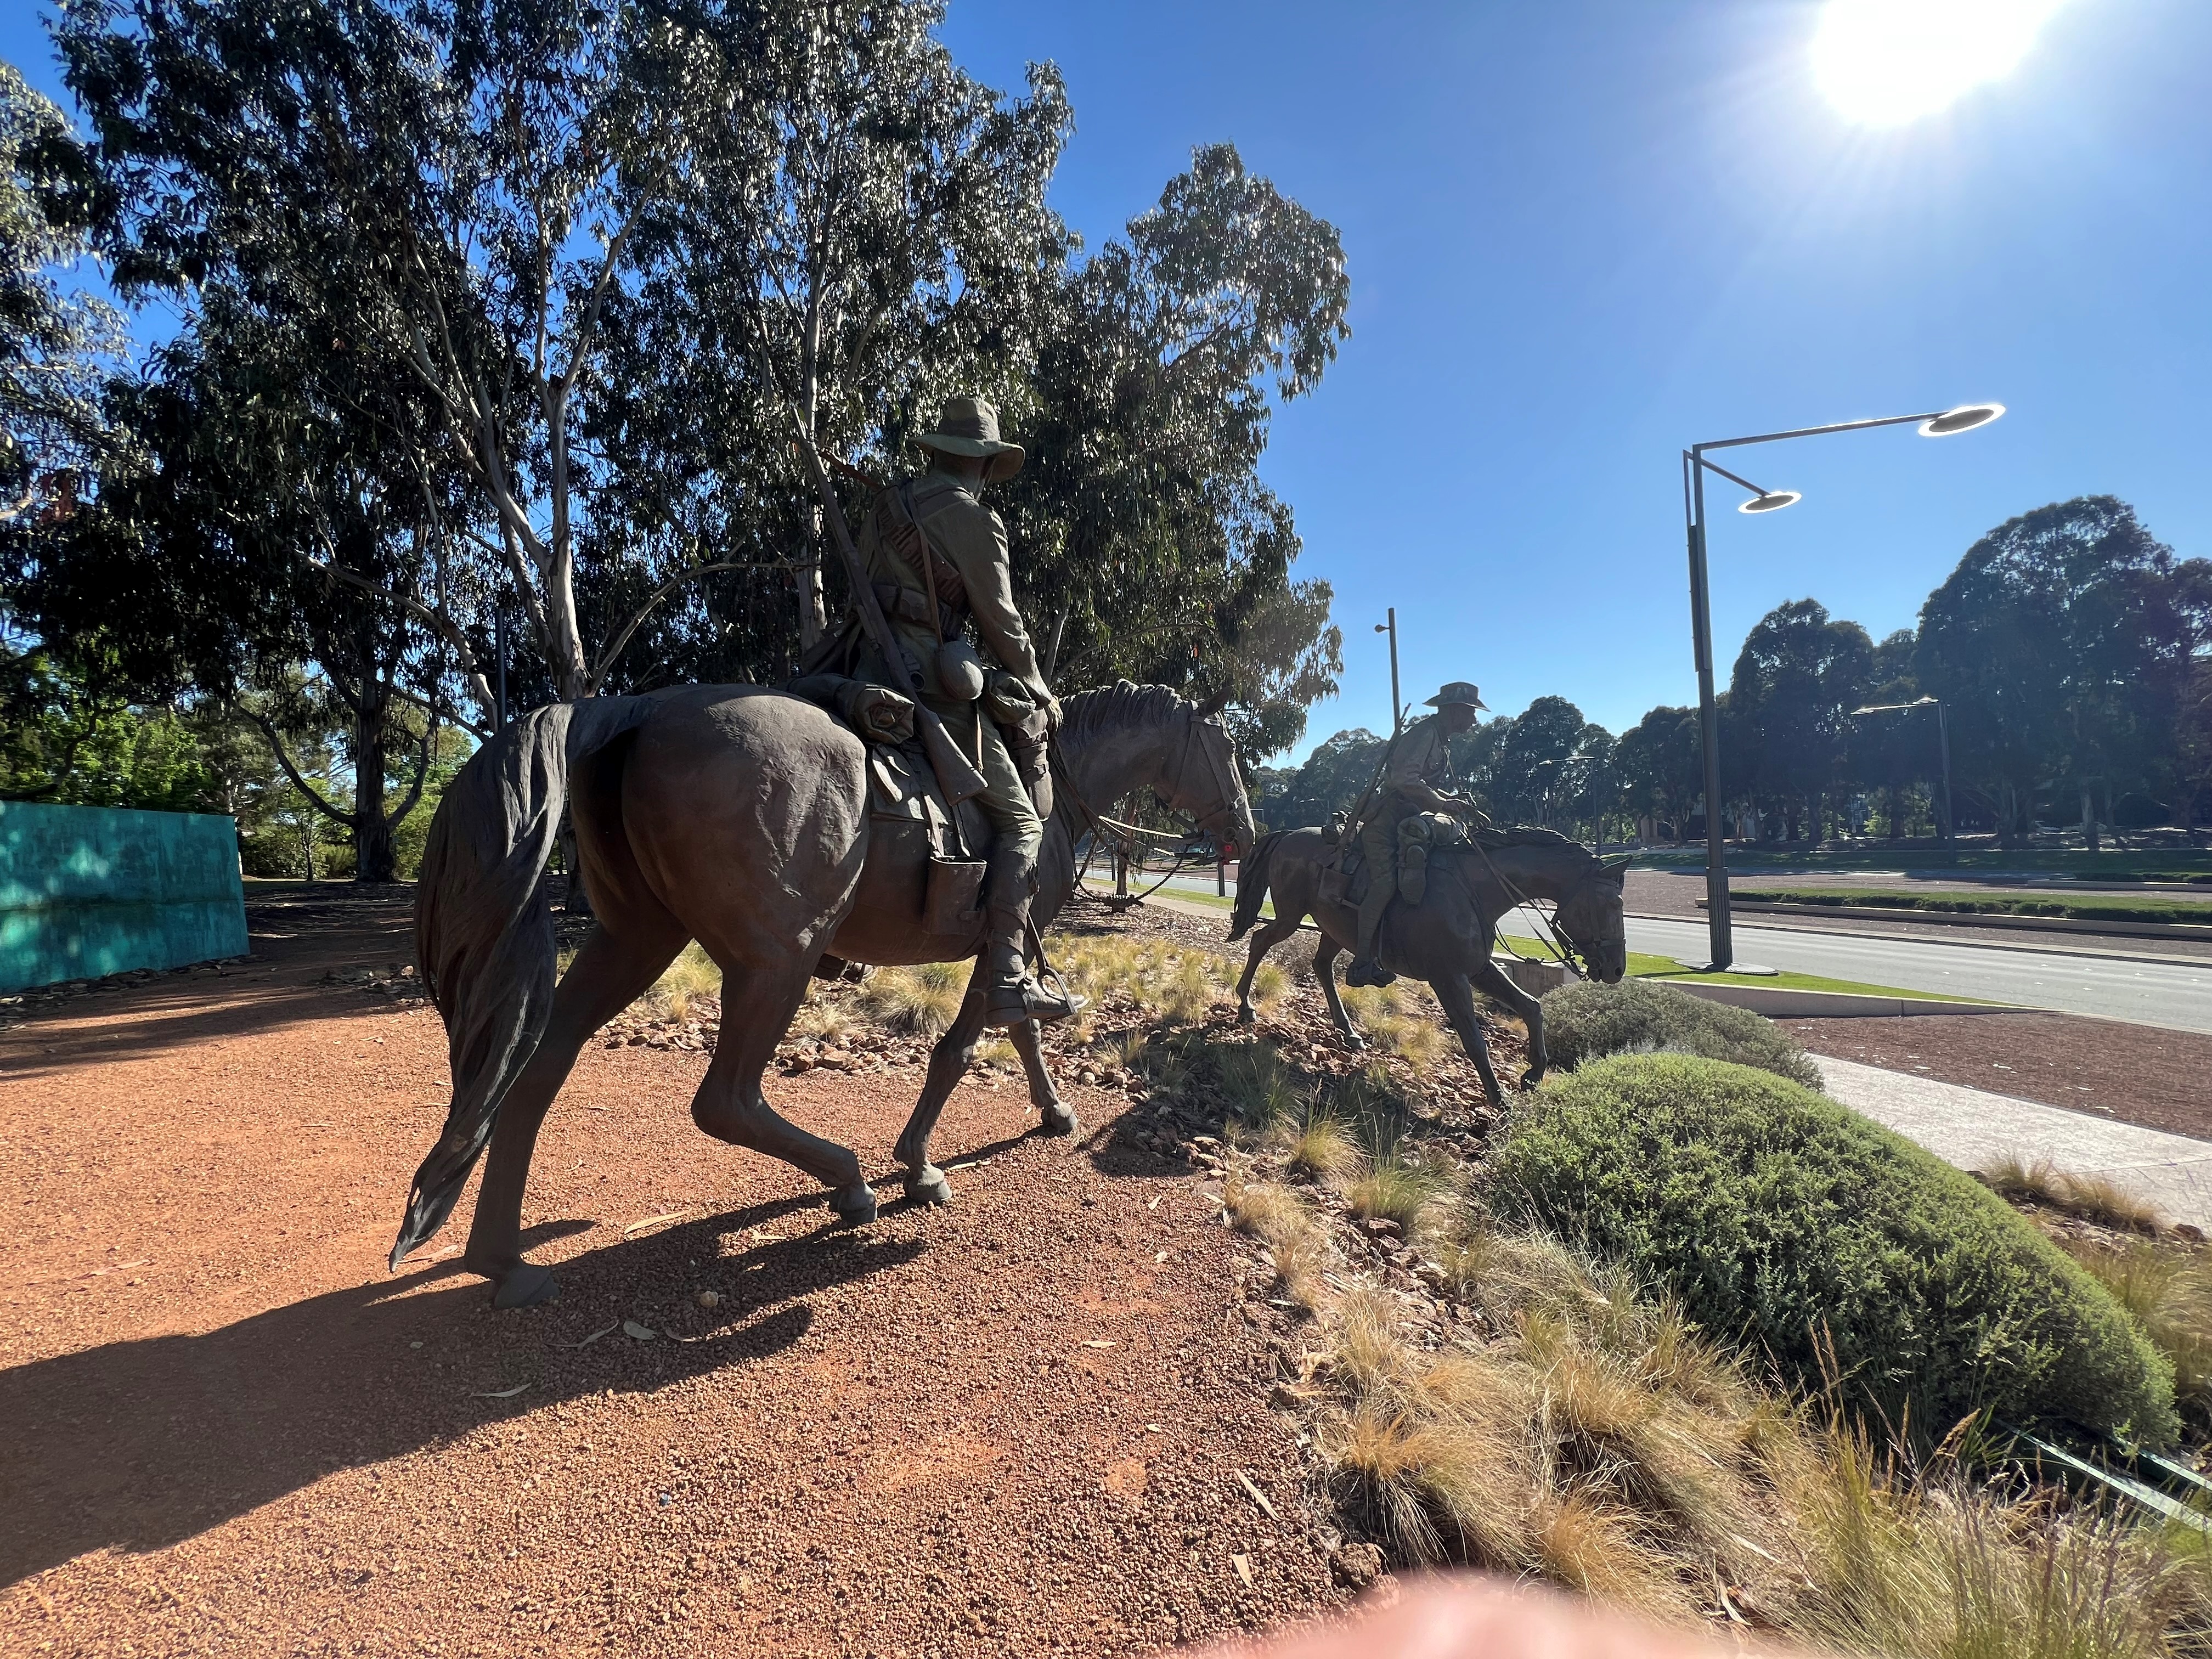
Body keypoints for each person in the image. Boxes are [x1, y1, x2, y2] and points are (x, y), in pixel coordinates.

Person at [855, 396, 1075, 1026]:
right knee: (1024, 824)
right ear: (981, 463)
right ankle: (1006, 977)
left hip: (859, 671)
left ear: (940, 453)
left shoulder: (886, 506)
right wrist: (1038, 686)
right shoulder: (975, 519)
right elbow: (1001, 622)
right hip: (926, 681)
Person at [1344, 681, 1488, 988]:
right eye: (1471, 713)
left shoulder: (1441, 741)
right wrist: (1441, 804)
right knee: (1385, 884)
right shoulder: (1424, 734)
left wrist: (1451, 801)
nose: (1474, 720)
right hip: (1387, 822)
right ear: (1454, 711)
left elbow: (1424, 785)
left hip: (1411, 820)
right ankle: (1362, 962)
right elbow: (1403, 779)